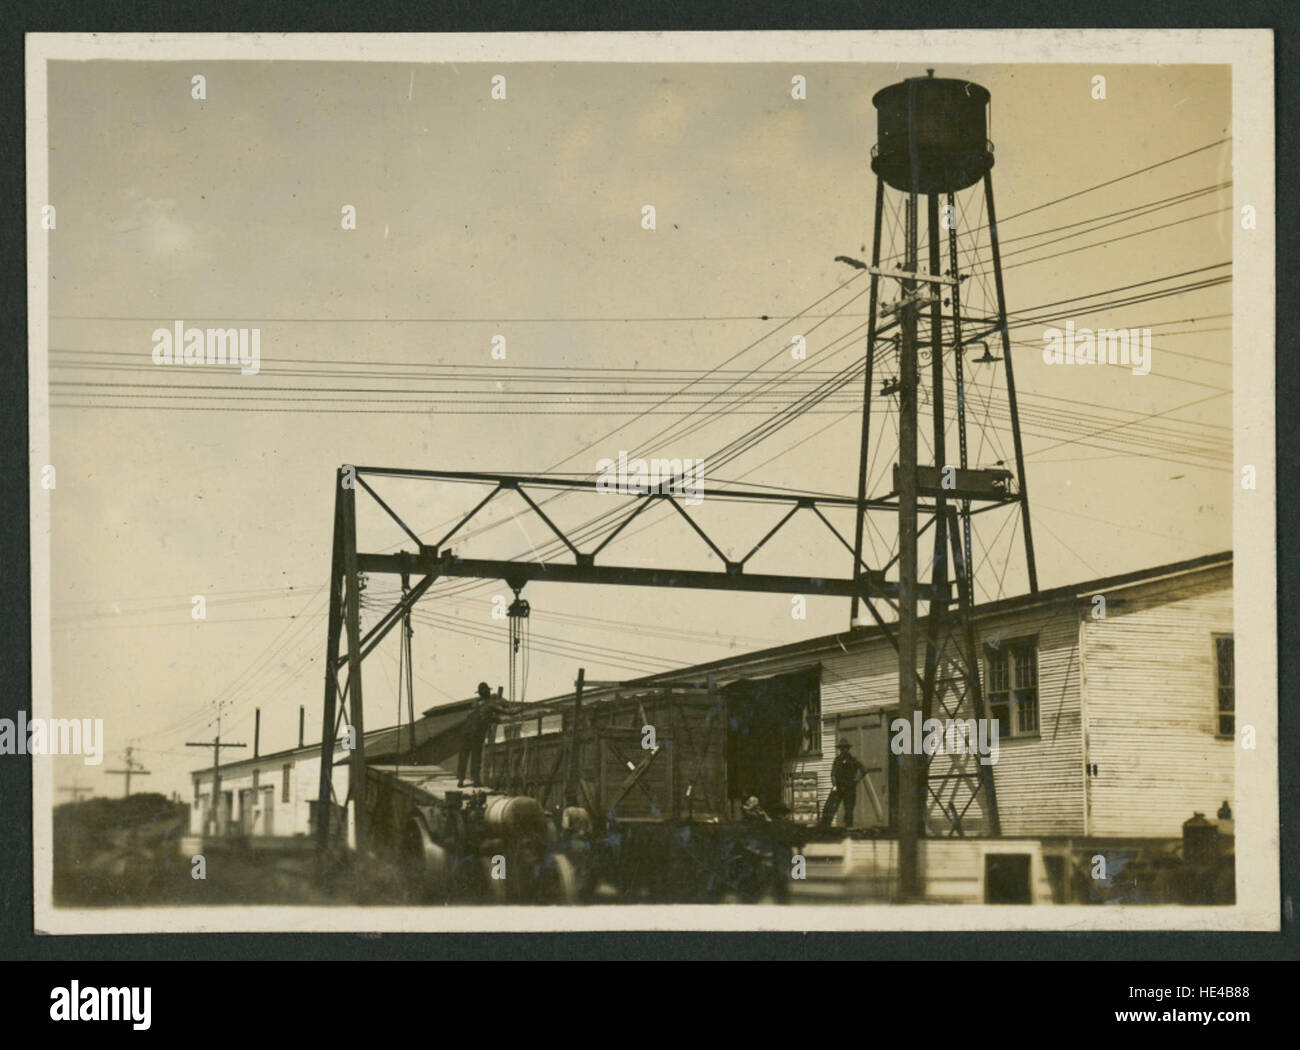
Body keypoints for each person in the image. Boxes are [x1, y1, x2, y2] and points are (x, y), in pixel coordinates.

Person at [818, 739, 868, 830]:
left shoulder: (854, 760)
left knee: (849, 810)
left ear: (848, 749)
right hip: (838, 788)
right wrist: (834, 784)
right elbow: (833, 773)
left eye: (845, 748)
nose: (843, 750)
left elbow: (864, 770)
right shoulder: (837, 760)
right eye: (841, 748)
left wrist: (856, 781)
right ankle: (825, 827)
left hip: (849, 788)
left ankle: (849, 830)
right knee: (829, 807)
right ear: (839, 749)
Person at [458, 682, 500, 787]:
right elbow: (498, 716)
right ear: (487, 693)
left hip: (465, 733)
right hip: (476, 734)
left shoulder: (474, 704)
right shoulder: (489, 705)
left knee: (464, 756)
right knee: (476, 757)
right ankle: (476, 780)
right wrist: (497, 719)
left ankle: (461, 780)